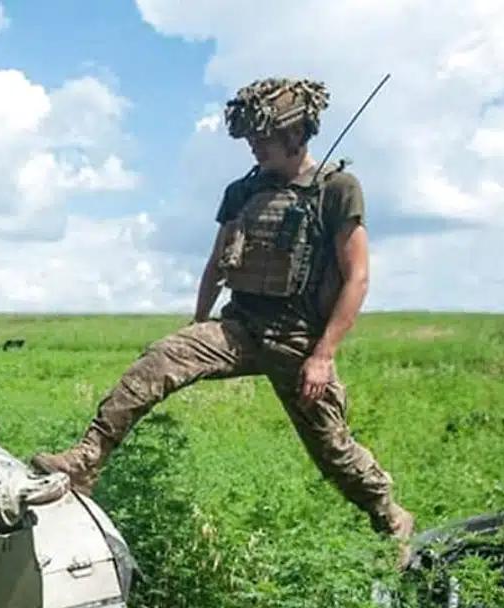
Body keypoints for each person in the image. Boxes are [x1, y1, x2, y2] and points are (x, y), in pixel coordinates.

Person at [31, 76, 415, 558]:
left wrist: (323, 355)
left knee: (333, 450)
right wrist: (195, 326)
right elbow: (216, 264)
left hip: (297, 340)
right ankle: (86, 460)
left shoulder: (336, 189)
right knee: (157, 361)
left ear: (295, 135)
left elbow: (356, 277)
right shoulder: (242, 192)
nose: (254, 148)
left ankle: (390, 516)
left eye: (263, 138)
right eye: (250, 139)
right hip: (239, 327)